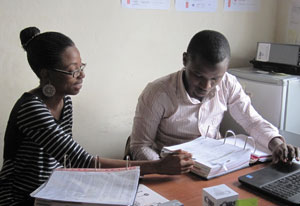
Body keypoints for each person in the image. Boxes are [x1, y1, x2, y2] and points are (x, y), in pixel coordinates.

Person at [0, 27, 194, 206]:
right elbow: (80, 160)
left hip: (52, 190)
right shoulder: (31, 109)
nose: (81, 75)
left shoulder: (64, 102)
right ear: (46, 74)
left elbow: (67, 160)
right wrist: (158, 166)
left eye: (81, 67)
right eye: (72, 71)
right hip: (22, 197)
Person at [129, 30, 299, 164]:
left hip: (215, 164)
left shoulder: (228, 83)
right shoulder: (157, 93)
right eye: (198, 75)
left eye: (215, 78)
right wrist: (161, 166)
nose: (206, 86)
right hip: (170, 166)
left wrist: (275, 142)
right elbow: (140, 146)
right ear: (185, 60)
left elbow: (251, 120)